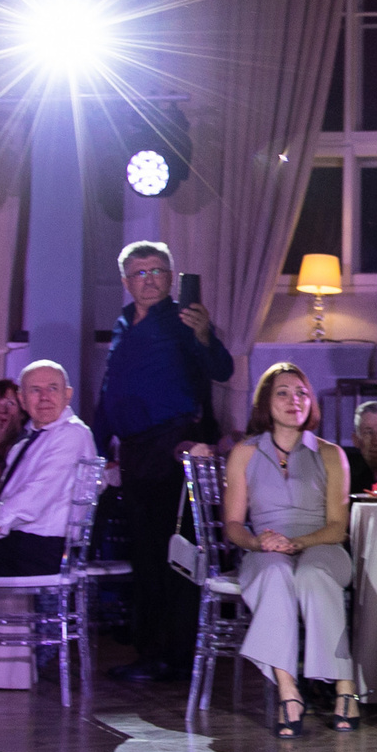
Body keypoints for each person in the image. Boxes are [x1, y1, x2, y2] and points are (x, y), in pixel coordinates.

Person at [91, 241, 234, 685]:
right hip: (133, 454)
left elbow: (222, 369)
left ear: (171, 277)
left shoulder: (182, 321)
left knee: (175, 556)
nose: (149, 279)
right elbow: (109, 390)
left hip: (173, 448)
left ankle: (177, 656)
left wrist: (205, 334)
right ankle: (152, 651)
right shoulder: (120, 324)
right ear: (126, 281)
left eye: (157, 271)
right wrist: (97, 451)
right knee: (145, 556)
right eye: (140, 273)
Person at [223, 363, 358, 737]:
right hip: (266, 547)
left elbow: (337, 526)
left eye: (301, 392)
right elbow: (233, 525)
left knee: (313, 574)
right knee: (275, 572)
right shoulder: (245, 454)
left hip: (321, 545)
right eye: (282, 392)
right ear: (266, 402)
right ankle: (288, 690)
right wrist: (258, 542)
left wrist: (299, 543)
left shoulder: (331, 454)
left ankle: (344, 686)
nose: (293, 400)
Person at [0, 361, 94, 580]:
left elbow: (30, 501)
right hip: (20, 544)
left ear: (68, 395)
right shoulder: (29, 440)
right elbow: (10, 501)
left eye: (53, 388)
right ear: (22, 399)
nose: (45, 397)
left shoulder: (72, 434)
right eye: (35, 390)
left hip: (40, 549)